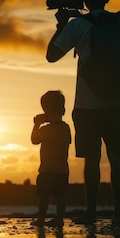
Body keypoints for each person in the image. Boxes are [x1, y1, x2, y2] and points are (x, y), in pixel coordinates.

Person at [46, 0, 120, 226]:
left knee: (92, 160)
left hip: (86, 105)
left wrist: (61, 24)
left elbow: (51, 55)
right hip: (118, 102)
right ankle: (118, 213)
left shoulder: (77, 26)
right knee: (117, 158)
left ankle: (91, 212)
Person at [30, 90, 72, 228]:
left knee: (44, 196)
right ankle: (59, 218)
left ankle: (41, 219)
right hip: (62, 170)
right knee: (61, 196)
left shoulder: (47, 129)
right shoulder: (66, 128)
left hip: (47, 170)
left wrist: (37, 124)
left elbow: (34, 140)